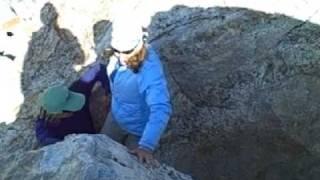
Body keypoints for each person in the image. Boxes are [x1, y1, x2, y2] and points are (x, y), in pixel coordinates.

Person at [100, 18, 172, 166]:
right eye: (117, 50)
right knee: (102, 153)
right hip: (115, 117)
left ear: (140, 45)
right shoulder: (121, 55)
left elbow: (161, 108)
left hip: (137, 130)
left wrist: (146, 146)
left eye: (126, 51)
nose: (121, 57)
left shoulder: (150, 71)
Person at [35, 61, 110, 146]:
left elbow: (99, 68)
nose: (78, 102)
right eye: (73, 107)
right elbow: (46, 141)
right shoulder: (47, 131)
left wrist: (108, 90)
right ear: (59, 114)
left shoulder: (76, 90)